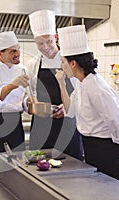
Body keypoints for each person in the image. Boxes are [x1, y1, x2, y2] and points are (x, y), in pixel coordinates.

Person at [55, 25, 119, 181]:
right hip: (90, 146)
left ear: (73, 63)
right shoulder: (81, 83)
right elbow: (70, 111)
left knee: (109, 193)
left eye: (63, 61)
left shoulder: (98, 88)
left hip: (105, 149)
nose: (62, 66)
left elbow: (113, 120)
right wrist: (61, 84)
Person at [27, 10, 83, 160]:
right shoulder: (33, 64)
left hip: (67, 126)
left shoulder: (70, 62)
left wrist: (67, 109)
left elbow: (81, 93)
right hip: (42, 127)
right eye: (40, 43)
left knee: (70, 170)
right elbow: (30, 93)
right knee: (39, 169)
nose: (45, 47)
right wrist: (31, 104)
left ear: (56, 38)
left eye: (49, 41)